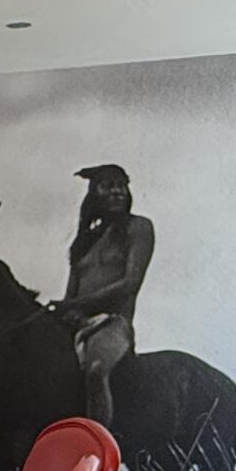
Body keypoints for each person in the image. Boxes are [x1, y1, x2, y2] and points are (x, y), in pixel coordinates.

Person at [54, 162, 154, 428]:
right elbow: (70, 293)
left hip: (112, 324)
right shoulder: (83, 242)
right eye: (108, 186)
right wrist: (69, 311)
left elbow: (130, 283)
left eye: (121, 186)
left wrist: (78, 304)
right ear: (94, 194)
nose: (117, 192)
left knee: (96, 370)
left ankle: (97, 442)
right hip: (77, 324)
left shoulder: (139, 228)